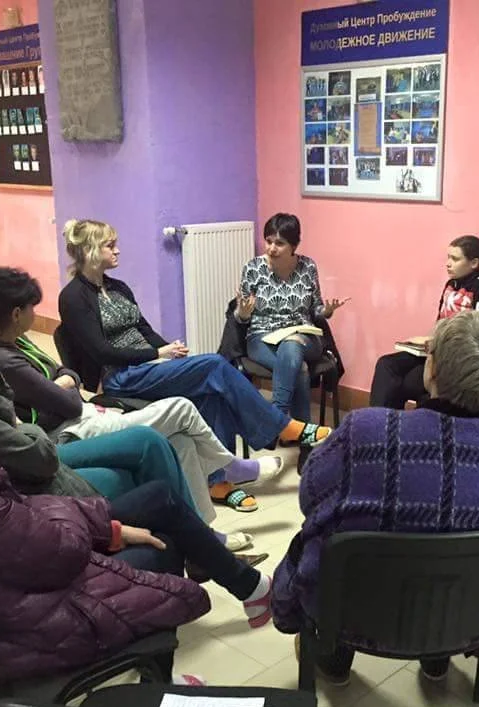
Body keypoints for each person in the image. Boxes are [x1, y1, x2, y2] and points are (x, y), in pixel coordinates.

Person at [0, 332, 273, 707]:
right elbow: (58, 552)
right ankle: (154, 690)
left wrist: (100, 525)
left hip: (0, 610)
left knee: (157, 500)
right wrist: (102, 528)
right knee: (163, 543)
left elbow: (19, 526)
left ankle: (250, 589)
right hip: (31, 628)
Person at [272, 311, 479, 685]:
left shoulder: (364, 430)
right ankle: (436, 654)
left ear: (430, 371)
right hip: (469, 619)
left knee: (340, 532)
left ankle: (333, 658)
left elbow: (311, 497)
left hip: (352, 613)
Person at [0, 290, 257, 552]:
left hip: (60, 429)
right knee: (174, 416)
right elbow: (45, 436)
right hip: (51, 449)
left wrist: (59, 389)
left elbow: (66, 375)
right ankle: (222, 480)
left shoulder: (14, 350)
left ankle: (203, 533)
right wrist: (22, 395)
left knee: (182, 431)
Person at [57, 218, 332, 511]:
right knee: (214, 366)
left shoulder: (118, 287)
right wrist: (156, 355)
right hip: (120, 376)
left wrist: (170, 351)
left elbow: (144, 330)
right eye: (110, 246)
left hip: (148, 367)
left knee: (212, 392)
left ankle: (219, 482)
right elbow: (102, 352)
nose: (118, 251)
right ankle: (280, 426)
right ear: (89, 251)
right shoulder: (73, 297)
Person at [0, 266, 283, 521]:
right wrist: (64, 385)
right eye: (31, 308)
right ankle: (229, 464)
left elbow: (67, 374)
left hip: (85, 411)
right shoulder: (3, 358)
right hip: (70, 429)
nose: (34, 313)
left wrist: (64, 381)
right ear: (15, 314)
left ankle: (205, 532)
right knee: (185, 406)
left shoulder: (19, 342)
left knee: (185, 438)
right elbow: (67, 399)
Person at [236, 213, 349, 422]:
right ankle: (300, 432)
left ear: (294, 245)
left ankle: (275, 419)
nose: (271, 248)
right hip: (261, 337)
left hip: (304, 335)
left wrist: (327, 312)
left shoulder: (308, 267)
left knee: (292, 342)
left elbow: (316, 309)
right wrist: (242, 313)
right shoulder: (253, 268)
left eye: (279, 243)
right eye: (268, 241)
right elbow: (241, 317)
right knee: (300, 368)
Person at [369, 235, 479, 410]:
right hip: (436, 350)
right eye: (448, 257)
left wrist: (441, 344)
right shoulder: (450, 284)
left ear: (474, 263)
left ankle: (396, 427)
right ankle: (381, 425)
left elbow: (477, 331)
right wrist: (427, 341)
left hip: (459, 357)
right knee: (387, 365)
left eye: (455, 259)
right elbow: (440, 321)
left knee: (406, 383)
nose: (448, 263)